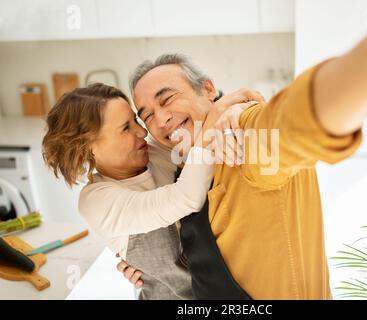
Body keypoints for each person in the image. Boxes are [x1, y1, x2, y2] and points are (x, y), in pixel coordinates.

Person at [119, 0, 367, 299]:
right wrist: (152, 270)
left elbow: (300, 119)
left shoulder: (241, 136)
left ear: (207, 90)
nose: (160, 119)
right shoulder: (183, 170)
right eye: (146, 115)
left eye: (168, 98)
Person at [41, 82, 262, 299]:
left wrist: (235, 109)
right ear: (88, 149)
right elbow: (185, 198)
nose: (141, 131)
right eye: (126, 128)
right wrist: (214, 122)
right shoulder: (96, 201)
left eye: (136, 119)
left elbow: (203, 129)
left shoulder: (155, 153)